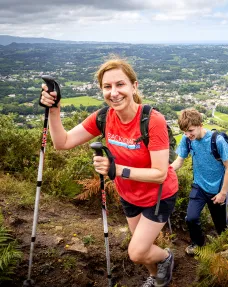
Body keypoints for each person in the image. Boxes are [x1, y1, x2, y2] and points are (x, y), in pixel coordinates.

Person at [40, 57, 178, 287]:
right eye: (107, 86)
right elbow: (62, 142)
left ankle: (166, 257)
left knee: (136, 252)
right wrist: (54, 110)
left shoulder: (152, 120)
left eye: (120, 84)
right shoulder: (103, 118)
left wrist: (117, 170)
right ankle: (156, 278)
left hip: (158, 196)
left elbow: (160, 174)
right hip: (129, 194)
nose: (114, 92)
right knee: (140, 248)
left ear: (134, 86)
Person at [171, 109, 228, 256]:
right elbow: (180, 161)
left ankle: (226, 249)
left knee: (221, 226)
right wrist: (165, 172)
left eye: (191, 130)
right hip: (199, 186)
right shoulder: (187, 140)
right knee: (191, 218)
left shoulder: (217, 141)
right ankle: (198, 244)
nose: (188, 135)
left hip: (217, 190)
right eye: (185, 132)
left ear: (201, 125)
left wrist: (223, 193)